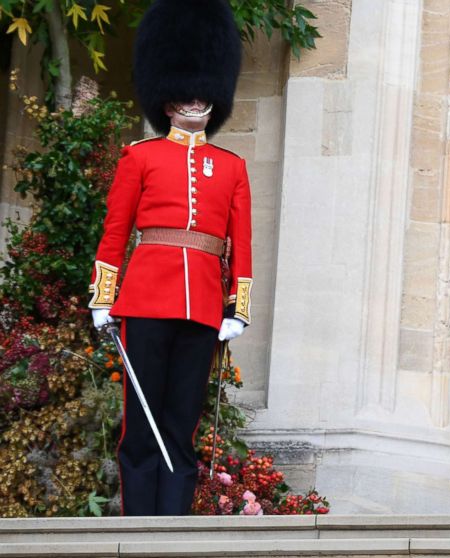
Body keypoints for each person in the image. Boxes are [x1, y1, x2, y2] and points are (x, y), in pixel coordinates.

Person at [88, 0, 251, 515]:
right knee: (142, 423)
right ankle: (137, 525)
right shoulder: (140, 157)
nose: (194, 100)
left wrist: (237, 306)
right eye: (183, 93)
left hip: (203, 307)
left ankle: (174, 527)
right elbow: (116, 231)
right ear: (166, 101)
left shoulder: (232, 166)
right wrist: (103, 297)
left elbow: (240, 243)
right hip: (144, 299)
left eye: (202, 92)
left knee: (182, 423)